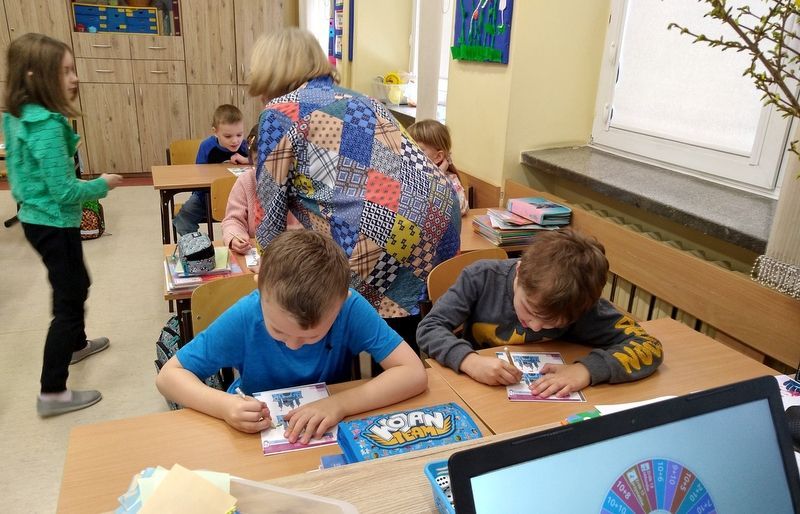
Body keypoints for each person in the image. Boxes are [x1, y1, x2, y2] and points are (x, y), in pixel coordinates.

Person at [248, 28, 461, 354]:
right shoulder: (359, 98)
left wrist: (269, 275)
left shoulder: (278, 114)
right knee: (409, 331)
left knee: (345, 324)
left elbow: (269, 210)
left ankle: (378, 377)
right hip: (441, 212)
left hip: (381, 229)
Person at [156, 230, 428, 442]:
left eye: (312, 336)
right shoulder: (246, 316)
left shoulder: (349, 306)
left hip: (327, 428)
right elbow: (169, 377)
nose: (293, 345)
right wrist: (225, 406)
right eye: (278, 331)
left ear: (341, 301)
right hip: (252, 431)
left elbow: (413, 373)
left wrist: (340, 404)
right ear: (259, 287)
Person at [3, 33, 123, 417]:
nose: (75, 78)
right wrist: (103, 185)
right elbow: (66, 191)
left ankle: (76, 345)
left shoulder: (18, 116)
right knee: (69, 302)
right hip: (53, 223)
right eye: (66, 71)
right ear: (36, 75)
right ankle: (52, 392)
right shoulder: (46, 126)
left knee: (74, 283)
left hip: (37, 219)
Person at [417, 229, 663, 398]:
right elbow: (429, 328)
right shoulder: (481, 278)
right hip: (477, 391)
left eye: (553, 323)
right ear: (520, 272)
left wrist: (587, 370)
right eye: (531, 309)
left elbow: (648, 345)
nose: (534, 326)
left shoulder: (580, 304)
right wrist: (469, 361)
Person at [222, 125, 302, 254]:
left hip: (296, 252)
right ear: (251, 161)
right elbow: (233, 220)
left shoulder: (300, 184)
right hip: (258, 254)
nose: (266, 168)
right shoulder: (246, 181)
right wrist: (236, 237)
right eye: (258, 162)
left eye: (273, 161)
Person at [172, 104, 249, 237]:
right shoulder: (207, 146)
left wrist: (247, 160)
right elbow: (199, 175)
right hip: (206, 197)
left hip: (242, 199)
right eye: (228, 136)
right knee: (183, 219)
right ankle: (198, 245)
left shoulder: (246, 146)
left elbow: (261, 165)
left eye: (239, 134)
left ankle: (244, 243)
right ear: (215, 132)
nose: (235, 140)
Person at [407, 119, 469, 216]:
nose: (410, 153)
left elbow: (461, 208)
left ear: (438, 156)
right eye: (409, 147)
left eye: (418, 149)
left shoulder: (449, 179)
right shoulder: (409, 173)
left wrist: (438, 176)